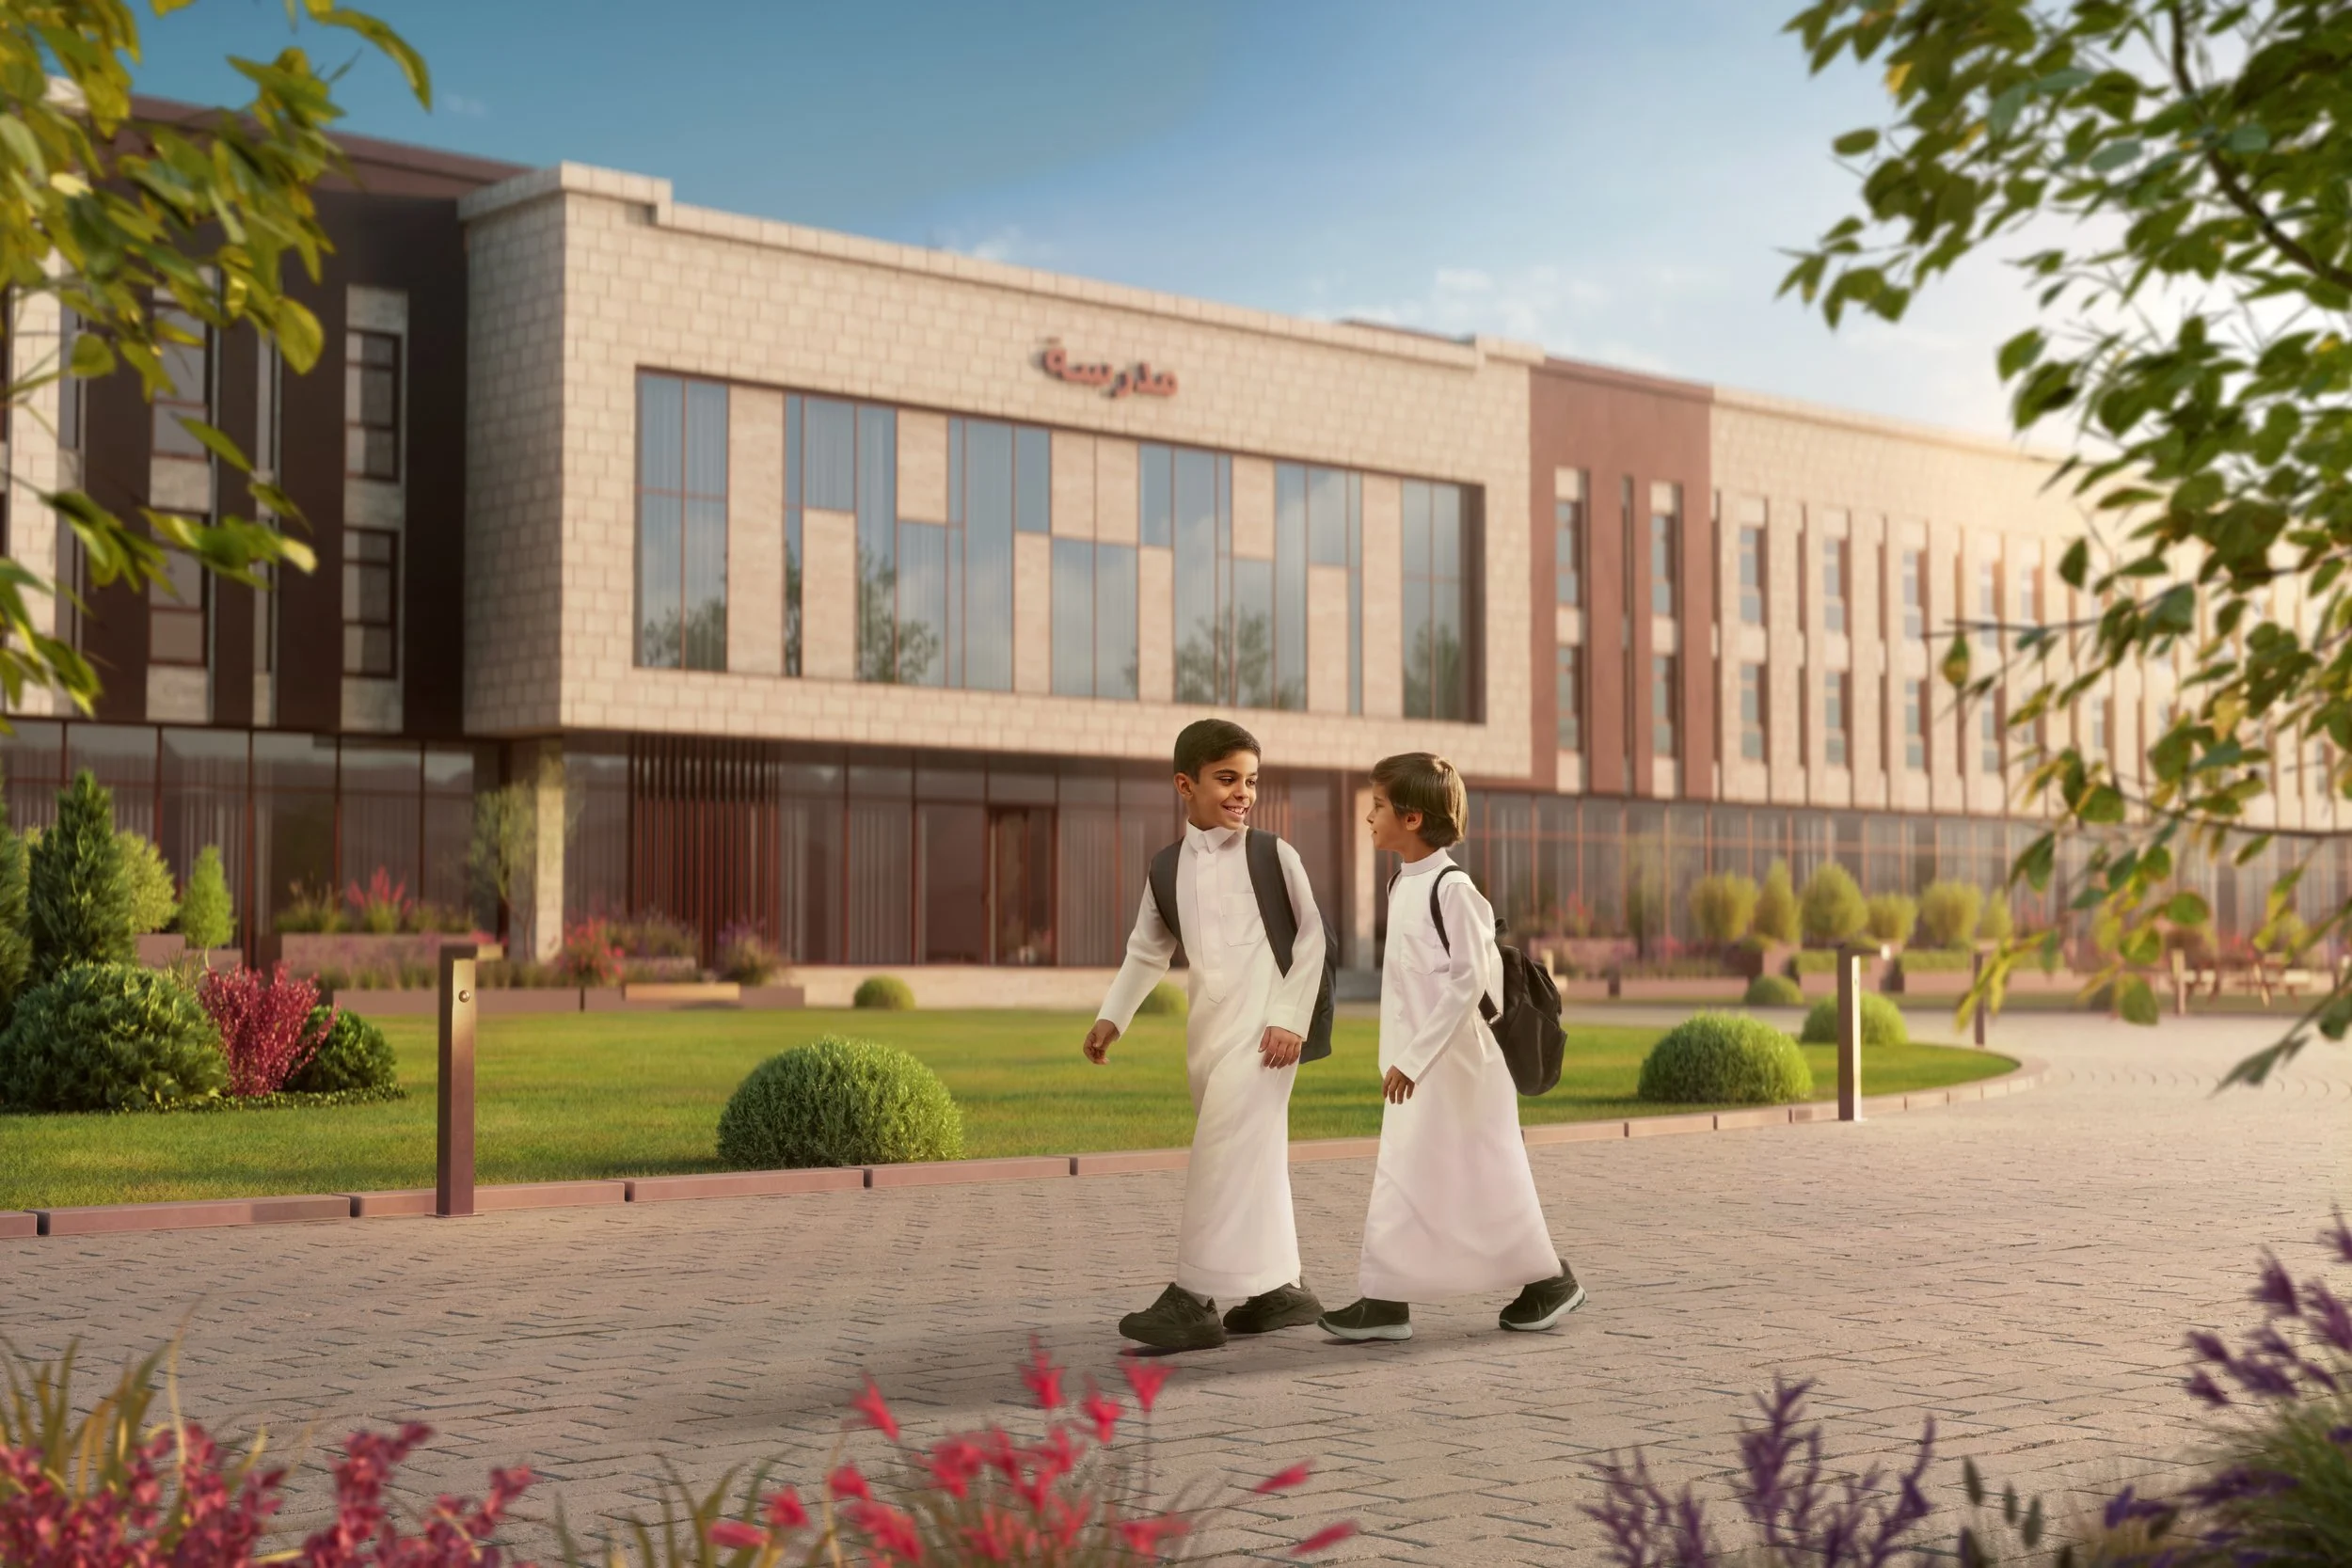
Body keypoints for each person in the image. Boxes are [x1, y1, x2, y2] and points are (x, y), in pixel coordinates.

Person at [1319, 752, 1583, 1341]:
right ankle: (1387, 1299)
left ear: (1413, 819)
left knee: (1484, 1171)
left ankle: (1550, 1280)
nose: (1369, 815)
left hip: (1459, 1066)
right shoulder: (1402, 883)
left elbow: (1468, 979)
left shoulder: (1452, 887)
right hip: (1417, 1066)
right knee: (1412, 1173)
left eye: (1380, 805)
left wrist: (1414, 1059)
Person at [1086, 719, 1328, 1352]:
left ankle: (1191, 1300)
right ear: (1184, 785)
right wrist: (1113, 1016)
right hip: (1209, 1038)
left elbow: (1312, 940)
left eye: (1250, 780)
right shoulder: (1166, 868)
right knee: (1250, 1158)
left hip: (1268, 1038)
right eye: (1227, 779)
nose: (1242, 792)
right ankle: (1280, 1288)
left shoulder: (1275, 855)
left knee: (1220, 1154)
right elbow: (1147, 949)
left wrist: (1289, 1019)